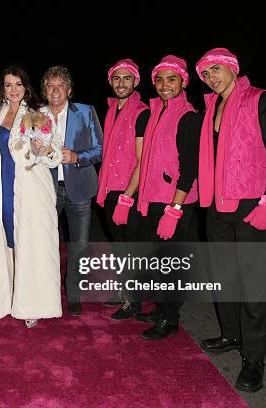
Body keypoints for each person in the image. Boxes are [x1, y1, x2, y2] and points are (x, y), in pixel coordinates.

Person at [195, 48, 266, 392]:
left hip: (251, 203)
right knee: (224, 277)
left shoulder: (261, 100)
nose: (211, 77)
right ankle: (231, 336)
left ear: (233, 68)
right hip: (217, 206)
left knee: (253, 285)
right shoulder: (210, 107)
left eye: (217, 70)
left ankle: (254, 359)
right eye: (206, 74)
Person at [0, 65, 63, 328]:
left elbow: (55, 155)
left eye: (18, 84)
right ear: (2, 88)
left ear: (25, 87)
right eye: (8, 85)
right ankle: (9, 297)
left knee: (31, 243)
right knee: (8, 239)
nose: (13, 90)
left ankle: (32, 303)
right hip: (2, 187)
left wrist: (45, 148)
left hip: (32, 189)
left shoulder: (39, 114)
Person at [135, 55, 202, 340]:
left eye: (171, 79)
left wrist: (175, 208)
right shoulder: (156, 113)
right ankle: (161, 309)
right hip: (155, 198)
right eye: (160, 80)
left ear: (183, 82)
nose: (165, 85)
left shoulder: (188, 116)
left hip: (175, 202)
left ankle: (171, 320)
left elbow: (190, 168)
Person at [40, 66, 103, 316]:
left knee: (80, 244)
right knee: (46, 244)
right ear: (44, 90)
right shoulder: (36, 115)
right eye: (50, 86)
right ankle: (48, 293)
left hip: (79, 188)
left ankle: (74, 294)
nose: (55, 91)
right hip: (46, 190)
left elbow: (100, 150)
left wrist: (78, 156)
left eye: (60, 85)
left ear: (69, 89)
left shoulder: (86, 112)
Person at [95, 59, 149, 317]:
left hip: (131, 190)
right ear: (110, 81)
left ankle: (133, 302)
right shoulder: (110, 110)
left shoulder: (142, 112)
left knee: (131, 246)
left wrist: (128, 196)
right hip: (112, 188)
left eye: (127, 78)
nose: (121, 83)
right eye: (117, 78)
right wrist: (104, 189)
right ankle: (124, 290)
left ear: (136, 82)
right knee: (118, 244)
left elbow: (142, 159)